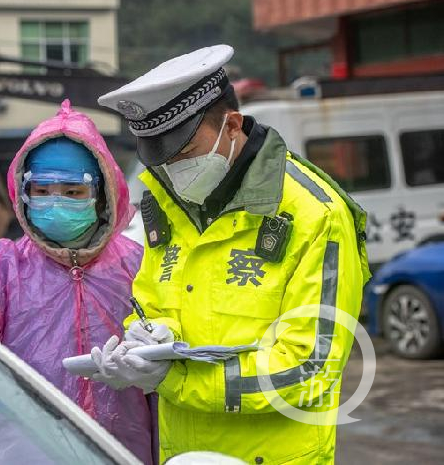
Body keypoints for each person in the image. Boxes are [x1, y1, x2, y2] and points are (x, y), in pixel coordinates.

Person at [91, 45, 371, 464]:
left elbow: (309, 369)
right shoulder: (168, 204)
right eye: (162, 164)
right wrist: (148, 341)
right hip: (183, 454)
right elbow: (149, 303)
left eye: (185, 155)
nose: (174, 173)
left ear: (233, 126)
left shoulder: (316, 215)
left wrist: (172, 379)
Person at [0, 99, 154, 464]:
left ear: (102, 195)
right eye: (41, 192)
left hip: (121, 453)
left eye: (73, 192)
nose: (56, 204)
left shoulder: (140, 266)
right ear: (23, 194)